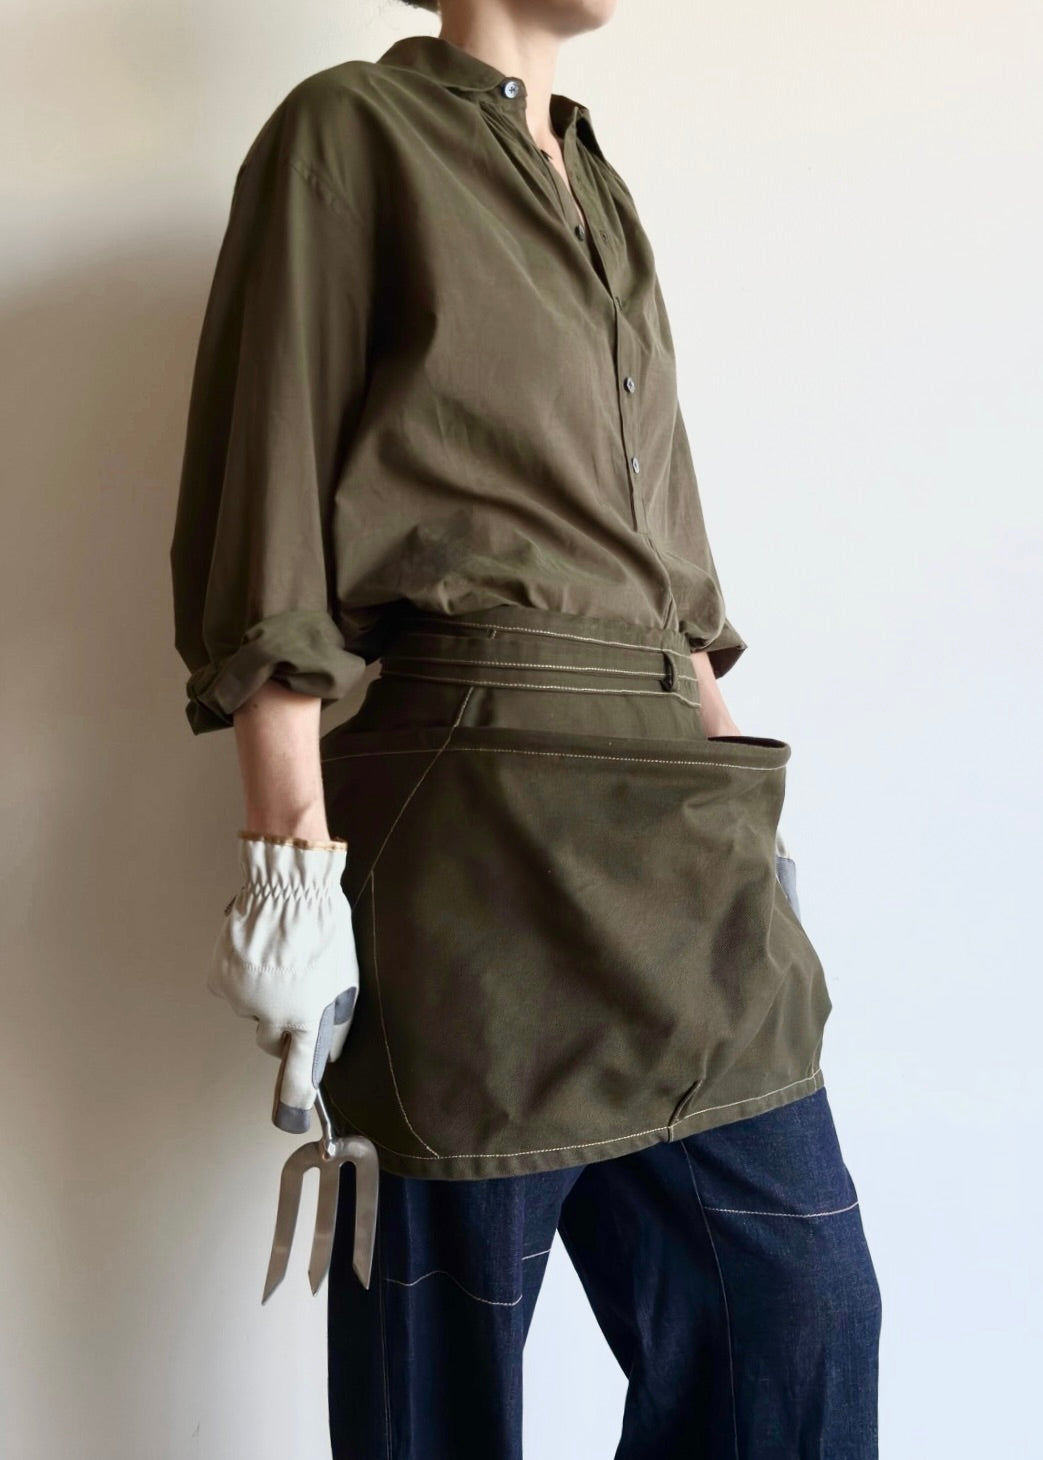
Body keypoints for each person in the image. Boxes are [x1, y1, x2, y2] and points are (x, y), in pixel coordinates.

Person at [169, 2, 882, 1455]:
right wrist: (289, 864)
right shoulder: (347, 136)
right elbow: (270, 526)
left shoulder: (606, 192)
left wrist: (742, 808)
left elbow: (670, 579)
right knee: (442, 1397)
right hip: (468, 842)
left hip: (675, 835)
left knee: (801, 1322)